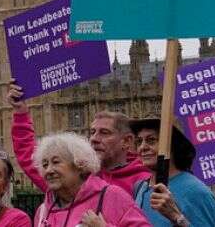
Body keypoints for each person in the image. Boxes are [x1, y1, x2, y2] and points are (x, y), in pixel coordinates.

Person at [10, 82, 150, 194]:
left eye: (104, 133)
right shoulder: (75, 176)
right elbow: (31, 158)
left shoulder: (146, 182)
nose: (94, 138)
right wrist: (20, 113)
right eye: (93, 132)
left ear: (127, 141)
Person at [33, 132, 150, 227]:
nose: (49, 170)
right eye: (44, 165)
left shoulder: (111, 196)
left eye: (56, 162)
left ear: (79, 164)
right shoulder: (43, 212)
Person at [130, 118, 215, 227]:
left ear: (173, 145)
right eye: (139, 141)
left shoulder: (196, 192)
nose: (142, 147)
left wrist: (176, 217)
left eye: (151, 140)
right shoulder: (141, 188)